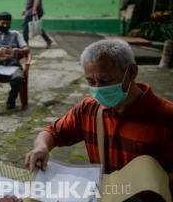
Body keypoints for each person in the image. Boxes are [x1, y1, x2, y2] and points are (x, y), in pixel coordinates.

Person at [25, 39, 173, 176]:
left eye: (105, 80)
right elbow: (51, 132)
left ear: (132, 72)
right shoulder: (88, 109)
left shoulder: (166, 117)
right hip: (106, 196)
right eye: (91, 81)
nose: (98, 88)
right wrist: (41, 147)